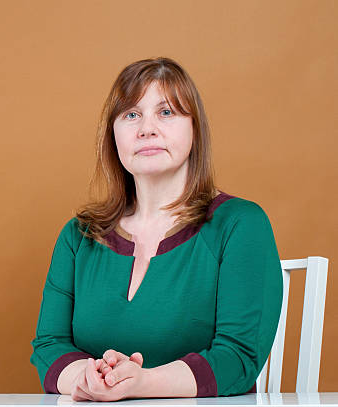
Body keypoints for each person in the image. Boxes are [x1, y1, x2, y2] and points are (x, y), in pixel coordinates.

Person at [29, 57, 283, 402]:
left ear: (194, 129)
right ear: (113, 134)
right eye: (131, 115)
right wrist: (88, 380)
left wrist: (141, 383)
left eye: (166, 112)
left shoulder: (240, 224)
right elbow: (49, 345)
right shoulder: (78, 235)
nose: (146, 128)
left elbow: (238, 359)